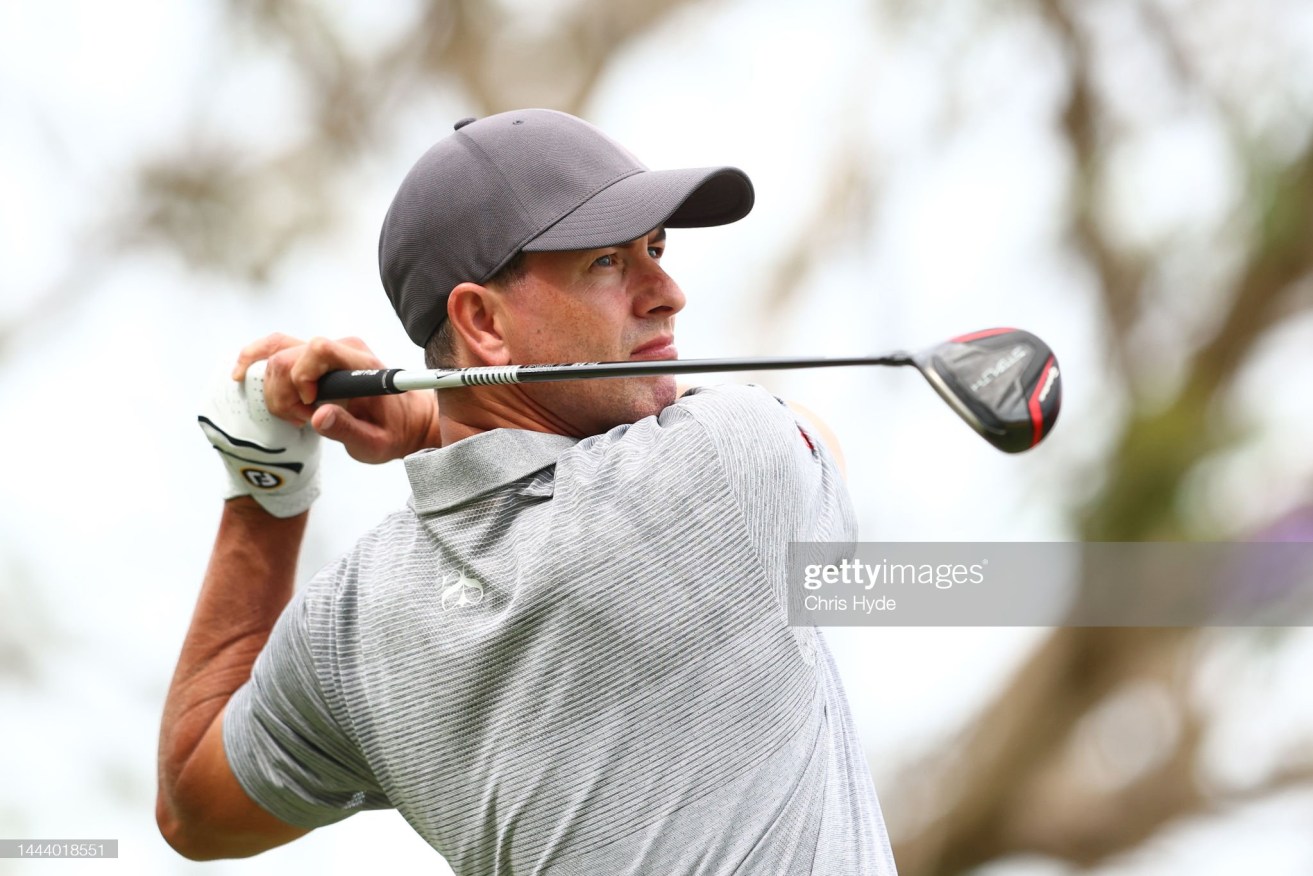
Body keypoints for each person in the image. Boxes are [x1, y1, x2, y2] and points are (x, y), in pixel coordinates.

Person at [157, 108, 899, 874]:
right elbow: (818, 447)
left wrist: (264, 480)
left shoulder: (351, 631)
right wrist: (429, 430)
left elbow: (193, 811)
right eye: (607, 263)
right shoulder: (723, 463)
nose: (667, 291)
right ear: (481, 322)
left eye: (653, 248)